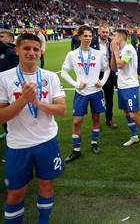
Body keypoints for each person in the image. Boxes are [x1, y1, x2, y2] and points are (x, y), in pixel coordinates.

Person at [0, 33, 66, 223]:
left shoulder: (50, 77)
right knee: (16, 193)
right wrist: (23, 101)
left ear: (40, 52)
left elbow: (61, 110)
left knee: (46, 185)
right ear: (17, 50)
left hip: (47, 141)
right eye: (26, 48)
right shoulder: (4, 78)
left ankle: (44, 221)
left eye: (35, 49)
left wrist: (37, 103)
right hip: (18, 145)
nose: (31, 52)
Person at [61, 25, 110, 163]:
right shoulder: (72, 55)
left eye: (90, 36)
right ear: (79, 37)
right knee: (77, 121)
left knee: (96, 119)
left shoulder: (98, 54)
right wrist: (76, 84)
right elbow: (63, 72)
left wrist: (102, 81)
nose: (88, 38)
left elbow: (106, 70)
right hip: (81, 92)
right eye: (85, 36)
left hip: (96, 92)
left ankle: (94, 143)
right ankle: (76, 150)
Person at [109, 29, 140, 150]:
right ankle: (134, 136)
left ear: (121, 38)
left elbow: (121, 64)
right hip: (121, 85)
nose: (112, 38)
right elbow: (113, 68)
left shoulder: (129, 49)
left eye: (114, 36)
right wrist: (113, 53)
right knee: (126, 112)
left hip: (130, 86)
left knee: (133, 114)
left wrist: (116, 52)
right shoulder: (120, 50)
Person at [91, 25, 118, 129]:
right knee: (95, 98)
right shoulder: (92, 42)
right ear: (98, 31)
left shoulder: (112, 42)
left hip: (109, 74)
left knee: (109, 98)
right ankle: (96, 121)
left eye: (107, 32)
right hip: (94, 74)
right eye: (103, 32)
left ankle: (109, 119)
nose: (105, 34)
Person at [0, 31, 19, 141]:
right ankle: (7, 132)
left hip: (10, 88)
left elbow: (16, 72)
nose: (0, 38)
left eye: (2, 36)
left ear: (11, 39)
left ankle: (12, 136)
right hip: (1, 88)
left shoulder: (12, 52)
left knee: (11, 114)